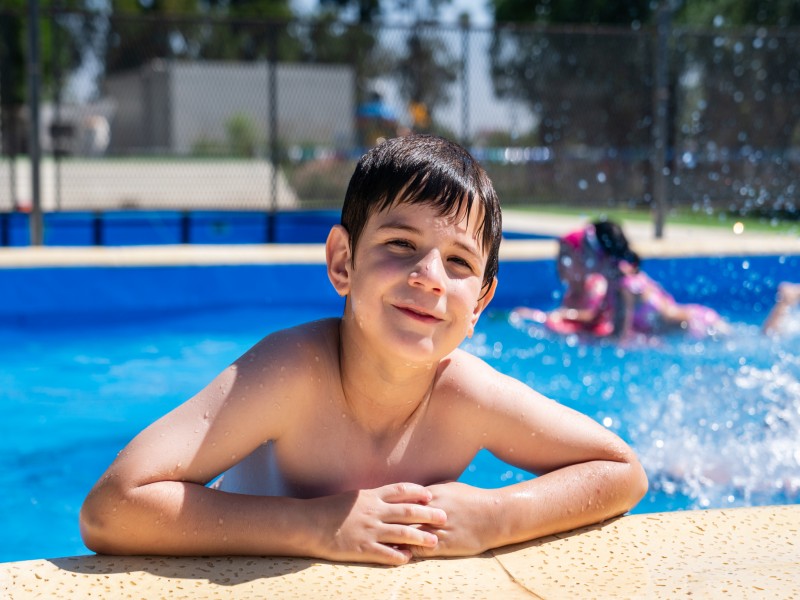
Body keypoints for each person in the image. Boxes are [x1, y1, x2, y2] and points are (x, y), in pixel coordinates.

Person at [80, 135, 647, 566]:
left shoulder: (467, 395)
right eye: (401, 244)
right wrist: (314, 527)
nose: (429, 277)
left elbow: (621, 471)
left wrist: (496, 516)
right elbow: (112, 508)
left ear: (479, 303)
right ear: (342, 262)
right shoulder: (292, 373)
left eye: (459, 262)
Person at [591, 219, 730, 339]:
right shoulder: (624, 273)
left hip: (700, 328)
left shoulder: (622, 287)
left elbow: (619, 338)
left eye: (585, 250)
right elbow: (597, 318)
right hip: (702, 320)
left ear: (599, 254)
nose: (581, 256)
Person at [511, 224, 615, 336]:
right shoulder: (571, 291)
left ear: (583, 259)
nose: (560, 263)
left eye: (566, 256)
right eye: (559, 256)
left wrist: (552, 316)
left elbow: (591, 315)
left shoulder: (596, 284)